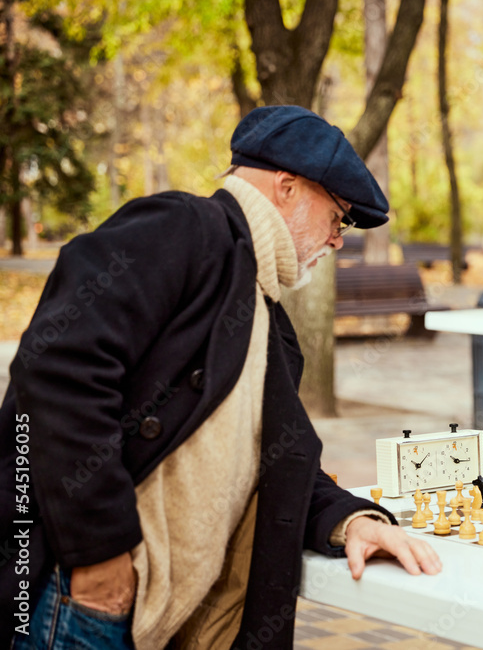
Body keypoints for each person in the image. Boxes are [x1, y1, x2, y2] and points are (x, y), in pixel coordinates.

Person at [1, 105, 441, 649]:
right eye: (338, 217)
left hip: (147, 619)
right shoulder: (184, 228)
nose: (338, 240)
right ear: (286, 187)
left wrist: (351, 522)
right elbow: (56, 369)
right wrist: (100, 555)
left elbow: (273, 468)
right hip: (81, 601)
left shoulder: (264, 314)